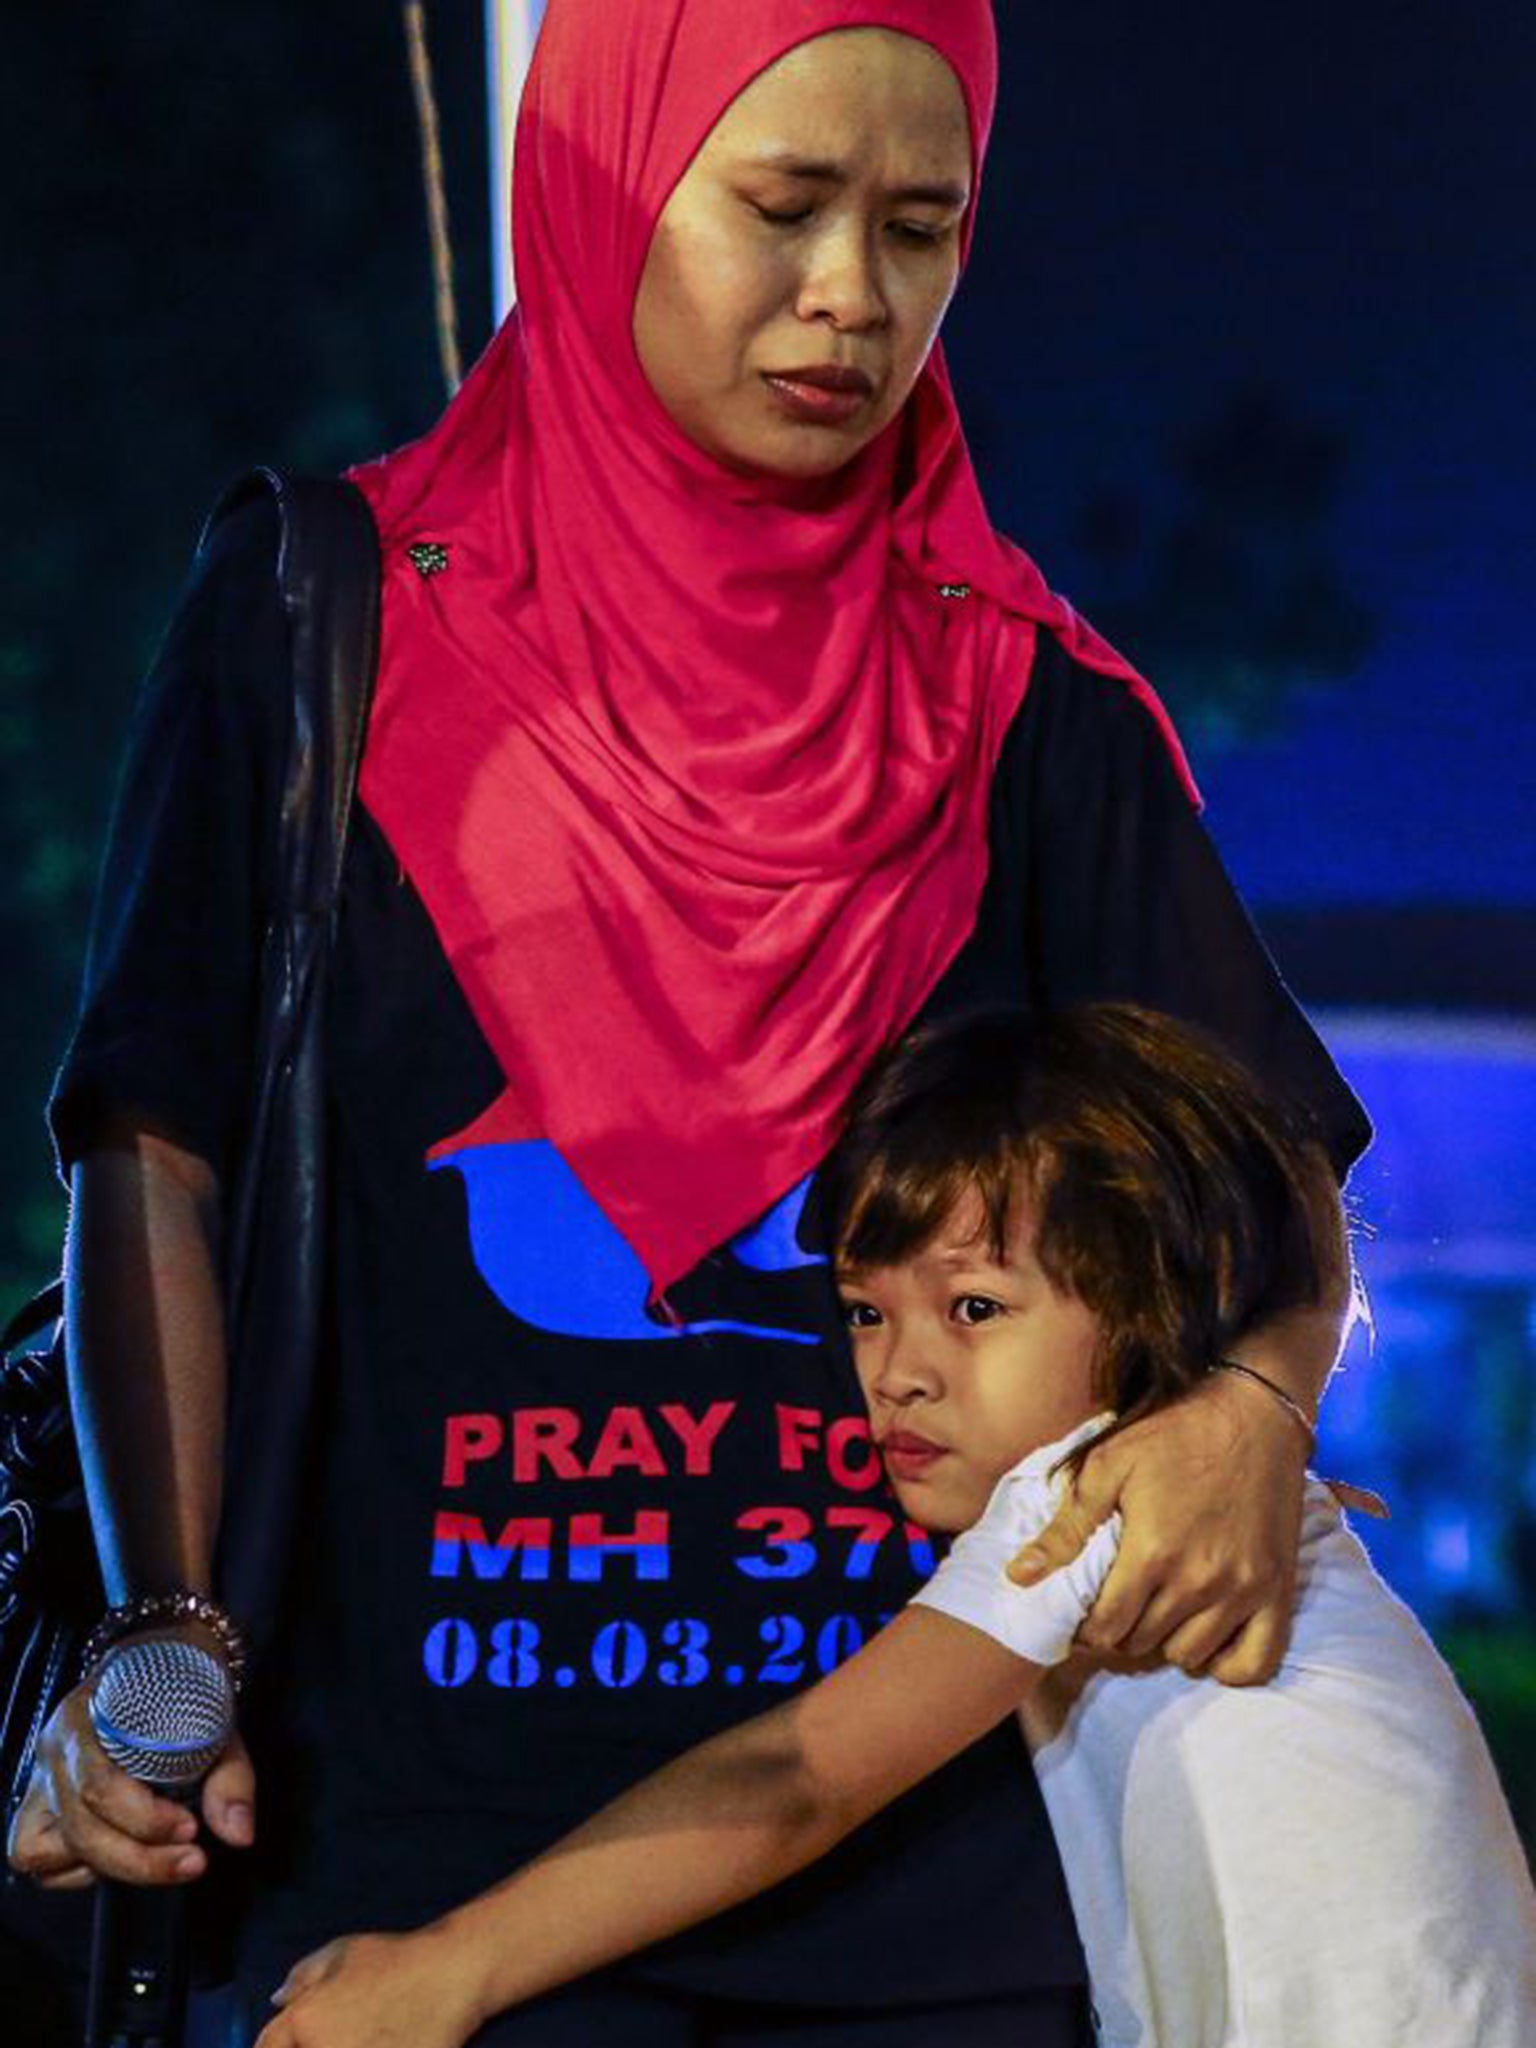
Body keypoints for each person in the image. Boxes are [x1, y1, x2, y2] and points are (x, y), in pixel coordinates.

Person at [9, 6, 1372, 2044]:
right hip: (399, 1891)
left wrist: (1253, 1414)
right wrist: (159, 1636)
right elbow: (153, 1157)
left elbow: (1275, 1192)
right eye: (783, 205)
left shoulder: (1025, 700)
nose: (853, 296)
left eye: (925, 227)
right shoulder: (317, 622)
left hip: (935, 1897)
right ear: (602, 181)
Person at [255, 1005, 1536, 2048]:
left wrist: (452, 1965)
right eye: (867, 1312)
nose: (900, 1370)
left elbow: (797, 1779)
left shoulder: (1097, 1492)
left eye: (974, 1308)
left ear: (1163, 1294)